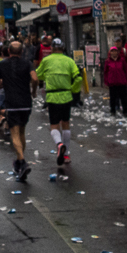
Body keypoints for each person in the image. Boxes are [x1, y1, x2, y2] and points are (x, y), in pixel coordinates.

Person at [0, 40, 37, 181]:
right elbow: (35, 78)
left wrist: (5, 83)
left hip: (12, 103)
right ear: (22, 51)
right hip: (26, 103)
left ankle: (22, 162)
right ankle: (19, 161)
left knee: (14, 133)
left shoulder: (2, 65)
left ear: (9, 52)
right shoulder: (27, 63)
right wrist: (33, 91)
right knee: (22, 131)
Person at [36, 38, 82, 170]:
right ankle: (66, 154)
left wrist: (48, 77)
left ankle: (59, 144)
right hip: (66, 96)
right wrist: (73, 90)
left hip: (52, 96)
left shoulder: (47, 60)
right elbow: (78, 77)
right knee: (66, 123)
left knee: (54, 125)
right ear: (63, 48)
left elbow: (38, 75)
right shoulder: (69, 60)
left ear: (51, 48)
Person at [103, 45, 127, 117]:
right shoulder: (108, 61)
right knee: (113, 98)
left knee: (124, 98)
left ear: (117, 52)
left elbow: (125, 70)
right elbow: (105, 72)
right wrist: (106, 82)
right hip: (112, 83)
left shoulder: (121, 60)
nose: (114, 52)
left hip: (122, 82)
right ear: (110, 52)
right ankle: (113, 110)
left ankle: (125, 111)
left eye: (115, 51)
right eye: (112, 51)